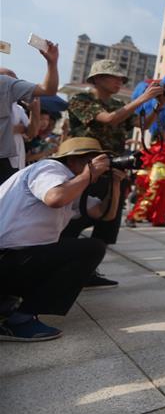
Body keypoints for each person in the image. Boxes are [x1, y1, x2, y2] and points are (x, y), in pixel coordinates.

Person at [0, 137, 123, 341]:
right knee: (90, 249)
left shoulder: (72, 183)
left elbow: (103, 213)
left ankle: (6, 302)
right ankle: (18, 322)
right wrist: (88, 174)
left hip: (12, 259)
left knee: (80, 246)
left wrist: (116, 183)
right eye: (90, 159)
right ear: (72, 160)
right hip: (6, 257)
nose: (99, 164)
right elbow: (56, 198)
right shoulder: (49, 168)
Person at [62, 59, 165, 287]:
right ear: (98, 78)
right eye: (114, 77)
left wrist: (159, 107)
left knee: (109, 221)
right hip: (86, 167)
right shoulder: (80, 100)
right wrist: (142, 99)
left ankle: (88, 270)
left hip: (114, 166)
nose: (120, 81)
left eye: (122, 78)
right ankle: (60, 265)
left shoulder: (118, 104)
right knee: (75, 218)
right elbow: (109, 120)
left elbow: (144, 126)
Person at [0, 41, 60, 184]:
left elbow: (31, 134)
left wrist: (35, 111)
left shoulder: (19, 109)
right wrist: (14, 129)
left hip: (12, 164)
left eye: (16, 83)